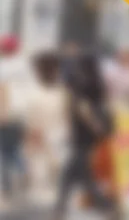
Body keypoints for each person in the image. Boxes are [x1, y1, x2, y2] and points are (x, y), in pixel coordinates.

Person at [53, 54, 117, 220]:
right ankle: (60, 209)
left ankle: (107, 207)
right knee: (76, 174)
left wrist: (95, 125)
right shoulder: (98, 82)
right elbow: (105, 104)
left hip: (83, 135)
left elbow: (82, 107)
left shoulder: (81, 81)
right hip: (91, 136)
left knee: (81, 175)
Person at [25, 51, 69, 204]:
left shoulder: (35, 94)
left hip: (43, 137)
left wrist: (30, 143)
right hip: (60, 136)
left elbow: (33, 125)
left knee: (41, 183)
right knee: (56, 177)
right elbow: (67, 117)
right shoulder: (64, 91)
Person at [0, 35, 31, 207]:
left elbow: (3, 90)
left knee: (3, 152)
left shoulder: (3, 67)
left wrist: (2, 113)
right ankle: (23, 170)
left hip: (7, 112)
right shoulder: (24, 65)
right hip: (22, 113)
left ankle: (6, 188)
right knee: (14, 148)